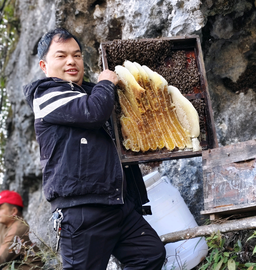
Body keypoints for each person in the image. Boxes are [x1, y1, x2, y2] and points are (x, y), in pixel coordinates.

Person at [23, 28, 166, 270]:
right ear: (44, 65)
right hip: (81, 211)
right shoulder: (46, 94)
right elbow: (93, 112)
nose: (71, 61)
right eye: (61, 56)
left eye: (77, 55)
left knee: (150, 255)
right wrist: (105, 83)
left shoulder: (91, 92)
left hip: (117, 205)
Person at [0, 190, 44, 270]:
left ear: (14, 211)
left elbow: (1, 258)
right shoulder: (3, 224)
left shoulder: (19, 228)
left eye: (0, 209)